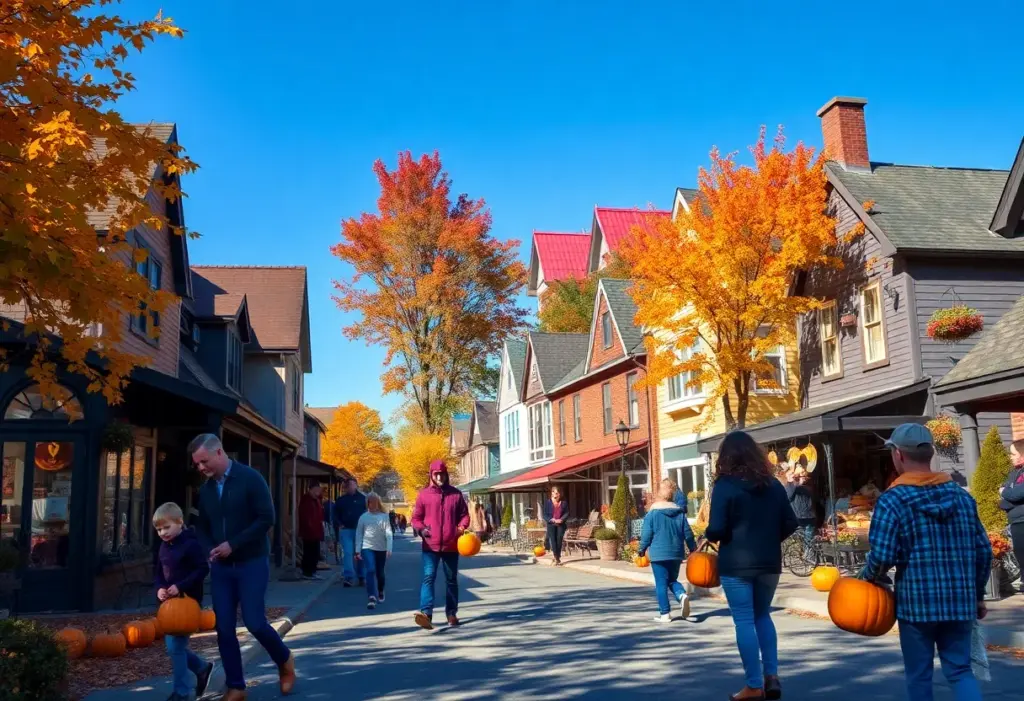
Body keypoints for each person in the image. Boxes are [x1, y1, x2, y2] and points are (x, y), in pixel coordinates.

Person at [861, 424, 991, 701]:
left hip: (916, 605)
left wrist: (867, 577)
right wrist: (978, 596)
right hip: (960, 601)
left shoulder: (893, 500)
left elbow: (883, 555)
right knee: (959, 671)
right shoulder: (962, 497)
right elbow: (983, 550)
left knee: (919, 675)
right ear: (931, 454)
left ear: (898, 455)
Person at [190, 434, 296, 700]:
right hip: (222, 569)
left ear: (219, 453)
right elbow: (201, 527)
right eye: (196, 464)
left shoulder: (250, 479)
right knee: (224, 628)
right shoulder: (205, 490)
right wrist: (208, 550)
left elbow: (266, 518)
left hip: (252, 562)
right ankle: (236, 686)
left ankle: (285, 661)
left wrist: (233, 544)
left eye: (203, 462)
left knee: (255, 622)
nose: (201, 468)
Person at [705, 431, 798, 701]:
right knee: (763, 616)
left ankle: (753, 684)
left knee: (744, 620)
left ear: (726, 456)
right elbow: (791, 523)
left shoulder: (725, 485)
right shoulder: (773, 485)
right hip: (769, 562)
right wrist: (769, 538)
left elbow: (717, 529)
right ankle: (772, 676)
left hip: (736, 564)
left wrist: (710, 536)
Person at [153, 502, 213, 701]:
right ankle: (202, 668)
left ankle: (181, 692)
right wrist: (160, 588)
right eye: (159, 529)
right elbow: (159, 572)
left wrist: (181, 586)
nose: (162, 532)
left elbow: (202, 569)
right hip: (169, 603)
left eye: (166, 527)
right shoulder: (163, 546)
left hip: (188, 601)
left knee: (176, 647)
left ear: (180, 523)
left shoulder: (191, 544)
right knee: (174, 647)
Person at [411, 460, 470, 630]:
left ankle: (451, 613)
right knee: (428, 577)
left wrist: (461, 527)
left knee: (451, 580)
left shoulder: (456, 495)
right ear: (431, 475)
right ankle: (426, 614)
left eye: (442, 474)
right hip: (430, 545)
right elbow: (416, 519)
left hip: (451, 545)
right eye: (436, 474)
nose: (439, 477)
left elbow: (464, 515)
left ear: (446, 474)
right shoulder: (423, 495)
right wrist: (422, 530)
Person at [639, 478, 697, 623]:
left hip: (658, 554)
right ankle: (681, 595)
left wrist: (641, 549)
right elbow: (688, 533)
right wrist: (693, 549)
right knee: (672, 579)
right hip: (676, 553)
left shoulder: (652, 514)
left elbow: (646, 534)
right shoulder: (679, 513)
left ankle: (665, 613)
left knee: (661, 583)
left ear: (659, 494)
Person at [356, 492, 393, 610]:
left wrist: (389, 547)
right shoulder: (363, 517)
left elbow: (388, 533)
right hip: (367, 547)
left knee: (379, 572)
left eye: (375, 502)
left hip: (381, 547)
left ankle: (381, 590)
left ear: (378, 503)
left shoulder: (384, 516)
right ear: (367, 503)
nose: (372, 504)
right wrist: (357, 550)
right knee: (370, 569)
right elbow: (359, 534)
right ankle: (371, 596)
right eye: (370, 502)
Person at [334, 478, 367, 587]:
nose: (352, 487)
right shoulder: (341, 500)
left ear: (356, 485)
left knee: (359, 554)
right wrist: (339, 523)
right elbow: (335, 514)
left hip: (360, 530)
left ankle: (361, 576)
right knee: (348, 553)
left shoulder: (363, 499)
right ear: (346, 487)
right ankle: (348, 576)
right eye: (349, 485)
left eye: (353, 485)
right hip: (346, 530)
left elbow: (369, 513)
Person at [1001, 439, 1024, 595]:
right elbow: (1007, 498)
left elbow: (1016, 494)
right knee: (1020, 555)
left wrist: (1006, 492)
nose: (1010, 456)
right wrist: (1008, 494)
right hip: (1016, 521)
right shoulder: (1014, 472)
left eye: (1013, 453)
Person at [298, 483, 324, 580]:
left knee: (315, 552)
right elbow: (306, 516)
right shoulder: (307, 500)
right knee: (309, 552)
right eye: (316, 489)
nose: (318, 491)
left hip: (316, 530)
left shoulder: (316, 500)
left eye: (319, 489)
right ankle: (307, 572)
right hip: (309, 531)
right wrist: (310, 527)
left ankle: (312, 570)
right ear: (310, 489)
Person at [542, 487, 569, 565]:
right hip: (551, 524)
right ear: (552, 493)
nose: (556, 495)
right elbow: (545, 515)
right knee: (553, 540)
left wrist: (562, 519)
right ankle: (556, 556)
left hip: (560, 524)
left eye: (558, 493)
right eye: (555, 493)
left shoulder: (564, 503)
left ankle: (557, 556)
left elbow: (567, 513)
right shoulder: (548, 503)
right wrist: (551, 519)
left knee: (559, 540)